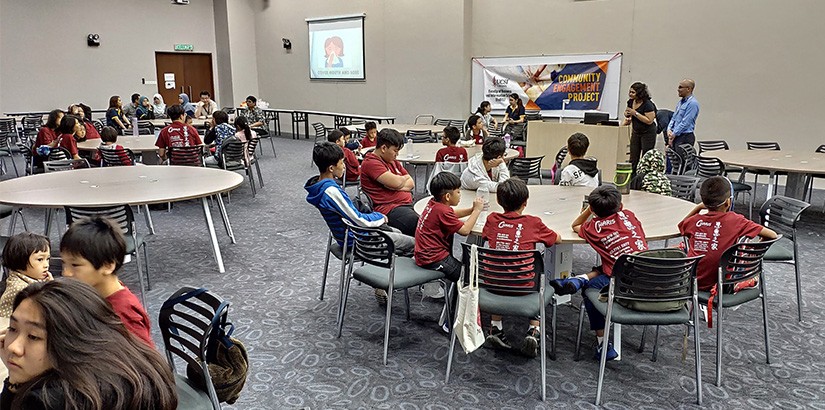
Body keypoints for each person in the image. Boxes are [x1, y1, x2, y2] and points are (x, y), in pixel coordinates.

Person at [0, 278, 178, 408]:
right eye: (13, 328)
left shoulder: (47, 400)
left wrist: (13, 383)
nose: (12, 347)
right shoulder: (127, 361)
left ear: (71, 341)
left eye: (34, 336)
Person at [305, 142, 415, 303]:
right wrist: (380, 217)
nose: (345, 167)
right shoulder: (331, 191)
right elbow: (358, 219)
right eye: (342, 163)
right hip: (361, 241)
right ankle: (386, 280)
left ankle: (384, 279)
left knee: (397, 233)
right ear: (331, 168)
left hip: (348, 237)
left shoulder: (319, 187)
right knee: (414, 244)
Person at [550, 185, 648, 360]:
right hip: (646, 274)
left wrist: (589, 208)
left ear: (593, 209)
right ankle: (579, 278)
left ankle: (603, 342)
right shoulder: (629, 216)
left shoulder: (594, 227)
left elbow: (575, 225)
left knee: (590, 291)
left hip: (622, 283)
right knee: (609, 267)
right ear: (621, 206)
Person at [481, 178, 558, 357]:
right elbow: (555, 240)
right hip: (524, 287)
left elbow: (485, 235)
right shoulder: (534, 222)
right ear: (525, 202)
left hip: (492, 284)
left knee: (499, 267)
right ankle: (534, 330)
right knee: (537, 275)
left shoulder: (492, 219)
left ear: (499, 201)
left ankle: (495, 327)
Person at [60, 216, 154, 347]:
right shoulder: (93, 294)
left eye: (75, 265)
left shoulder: (124, 313)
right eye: (64, 263)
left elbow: (146, 363)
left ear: (108, 265)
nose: (66, 273)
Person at [679, 176, 777, 292]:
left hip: (692, 282)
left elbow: (681, 226)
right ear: (728, 202)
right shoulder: (737, 221)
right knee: (743, 259)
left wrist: (698, 207)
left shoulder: (695, 220)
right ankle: (745, 280)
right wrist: (751, 254)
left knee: (683, 248)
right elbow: (772, 235)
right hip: (722, 285)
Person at [415, 172, 484, 282]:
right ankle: (456, 298)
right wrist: (477, 211)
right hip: (433, 259)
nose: (460, 194)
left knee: (465, 271)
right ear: (447, 196)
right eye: (458, 192)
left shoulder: (434, 203)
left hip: (424, 254)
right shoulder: (442, 211)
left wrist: (471, 210)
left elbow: (453, 214)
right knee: (467, 276)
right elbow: (465, 230)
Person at [359, 129, 418, 236]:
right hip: (390, 209)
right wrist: (399, 181)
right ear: (384, 148)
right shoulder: (371, 163)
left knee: (440, 217)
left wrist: (395, 184)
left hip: (405, 205)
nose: (397, 154)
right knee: (422, 224)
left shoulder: (392, 161)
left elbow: (411, 183)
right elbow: (396, 182)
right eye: (395, 150)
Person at [0, 233, 52, 318]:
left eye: (48, 259)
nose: (46, 265)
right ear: (20, 259)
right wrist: (51, 288)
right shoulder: (19, 289)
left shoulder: (31, 279)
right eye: (40, 259)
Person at [623, 82, 657, 175]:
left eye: (633, 92)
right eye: (630, 92)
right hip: (636, 131)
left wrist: (635, 113)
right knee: (633, 156)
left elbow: (649, 120)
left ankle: (644, 176)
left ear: (639, 93)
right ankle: (632, 178)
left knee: (646, 156)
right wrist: (627, 114)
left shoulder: (648, 104)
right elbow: (627, 111)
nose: (630, 94)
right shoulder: (630, 101)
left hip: (648, 132)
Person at [667, 79, 699, 148]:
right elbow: (674, 118)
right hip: (676, 136)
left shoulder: (692, 103)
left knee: (682, 158)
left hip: (685, 137)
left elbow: (686, 122)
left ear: (688, 89)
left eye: (680, 87)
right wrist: (669, 129)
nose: (678, 89)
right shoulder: (680, 102)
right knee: (674, 158)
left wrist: (674, 133)